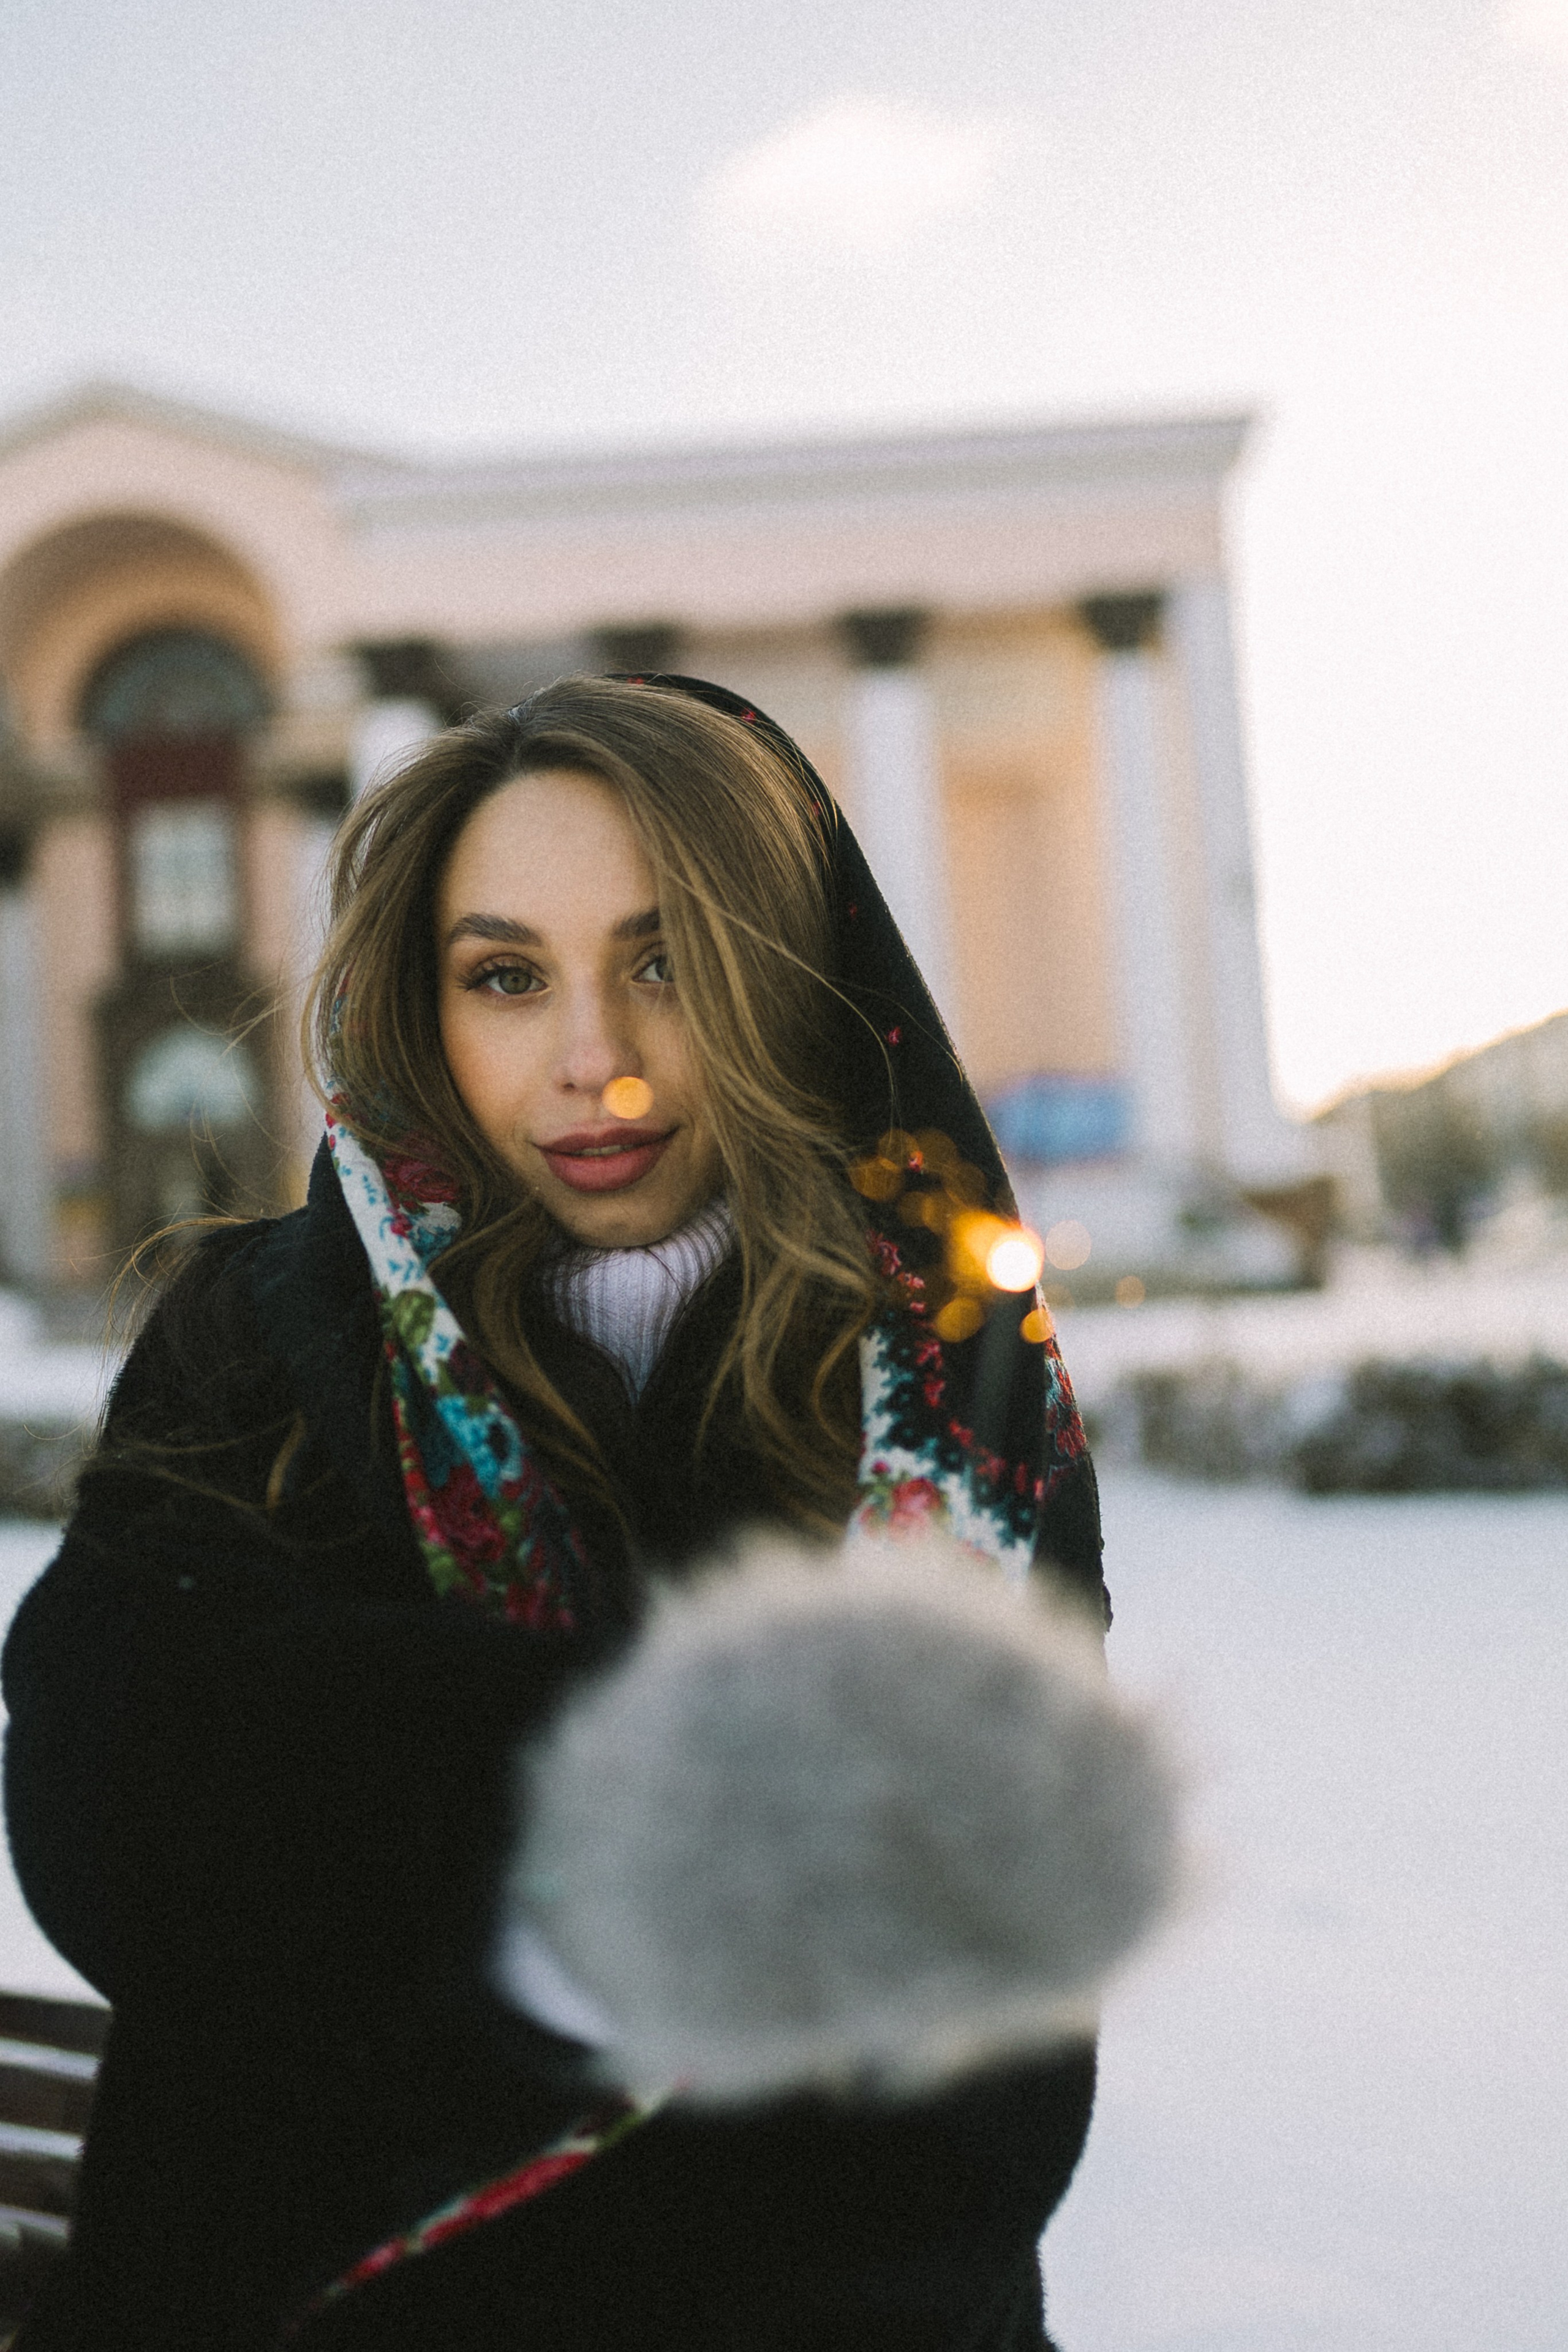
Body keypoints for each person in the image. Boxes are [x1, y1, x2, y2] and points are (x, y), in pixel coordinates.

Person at [2, 676, 1115, 2351]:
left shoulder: (947, 1393)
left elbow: (983, 2036)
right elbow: (113, 1797)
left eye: (664, 961)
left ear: (785, 978)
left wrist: (394, 1795)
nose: (595, 1059)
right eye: (507, 976)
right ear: (419, 1006)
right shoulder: (262, 1325)